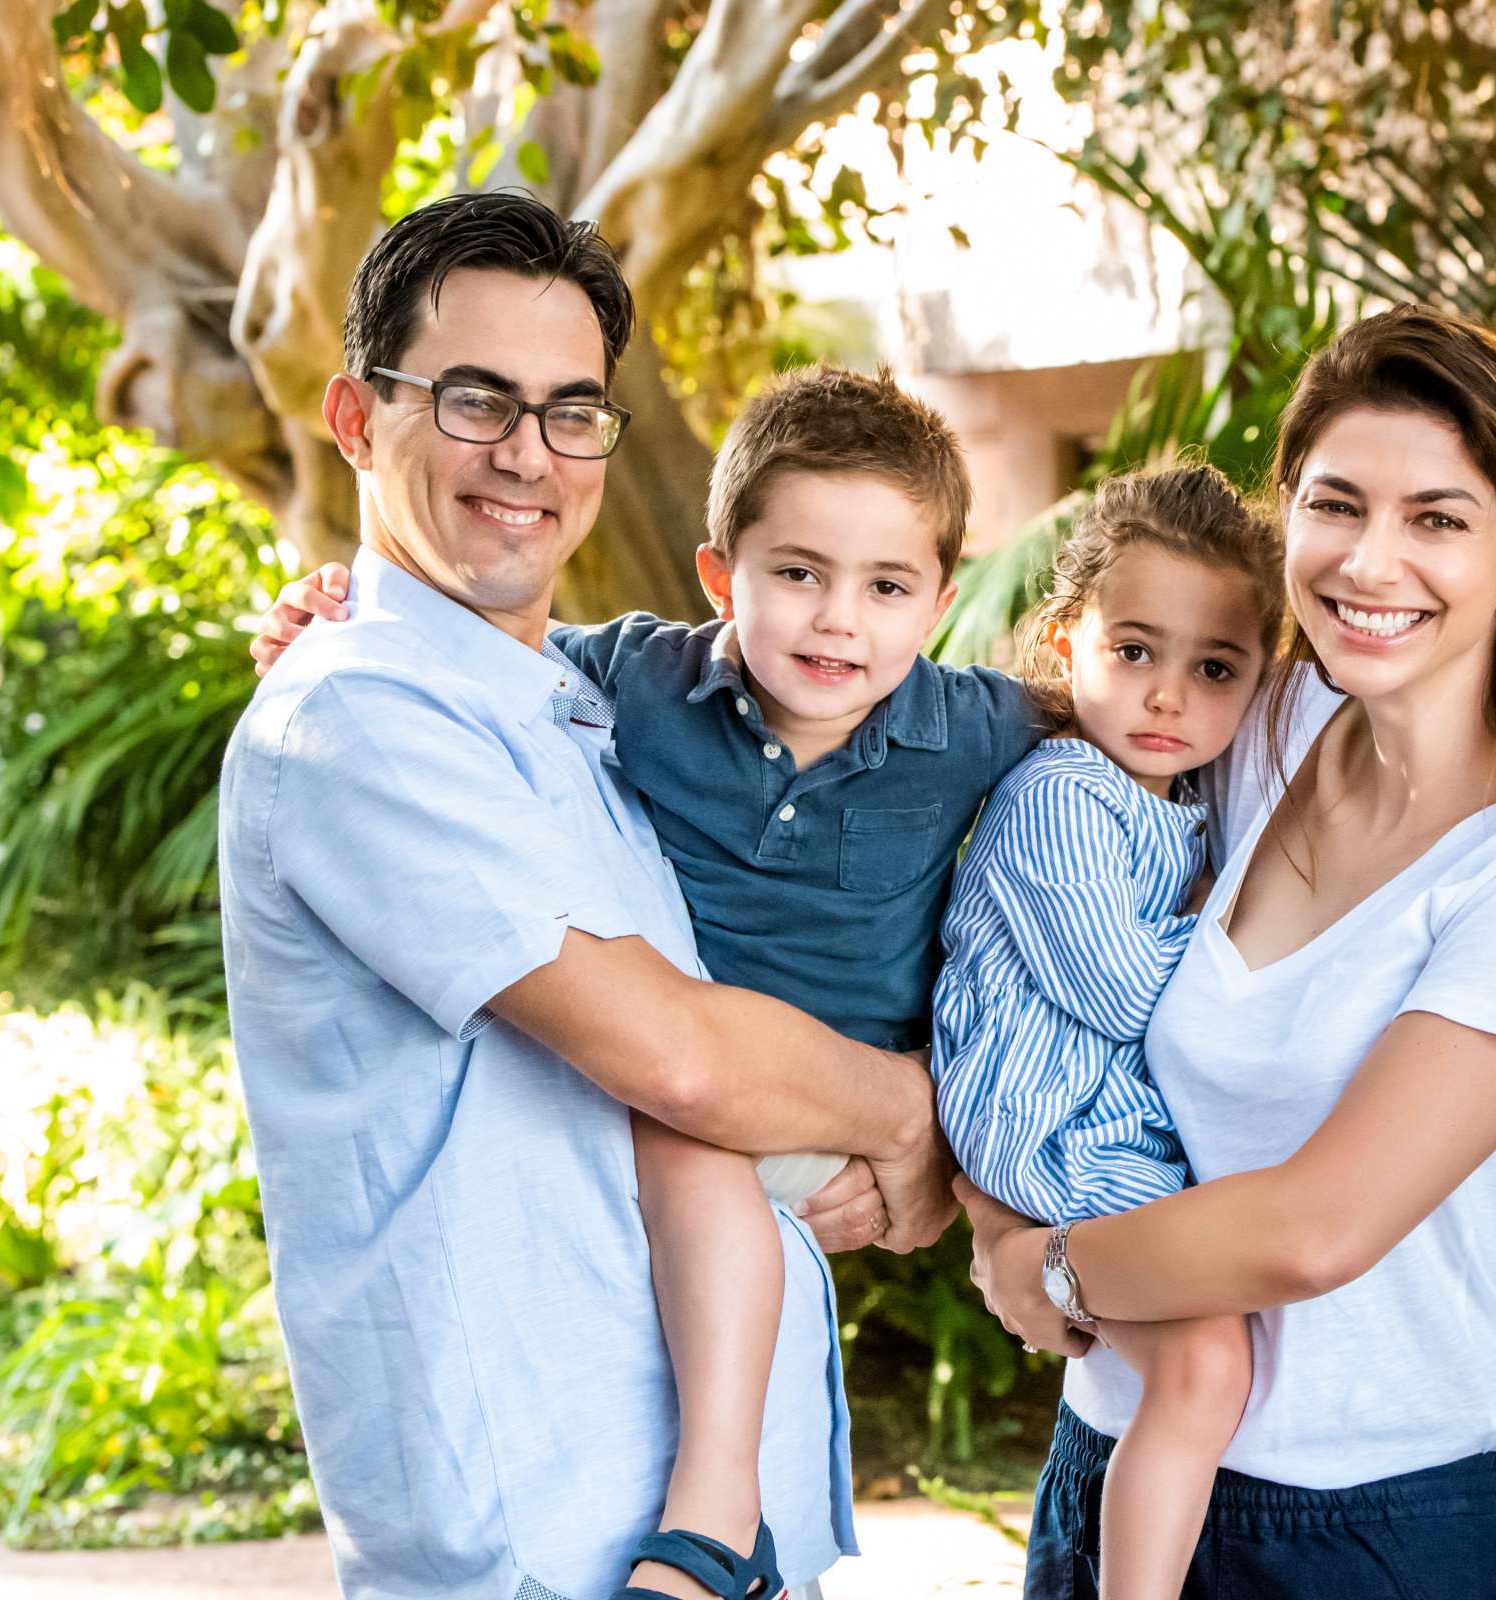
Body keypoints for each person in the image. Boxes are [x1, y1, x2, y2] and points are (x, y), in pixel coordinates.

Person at [220, 191, 953, 1600]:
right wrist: (920, 1118)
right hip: (539, 1534)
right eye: (475, 398)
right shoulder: (362, 717)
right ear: (360, 419)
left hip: (712, 1529)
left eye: (571, 410)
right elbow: (678, 1053)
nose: (526, 455)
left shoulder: (577, 708)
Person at [956, 305, 1496, 1599]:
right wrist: (989, 1210)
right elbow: (1023, 971)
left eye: (1437, 519)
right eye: (1336, 503)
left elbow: (1318, 1227)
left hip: (1356, 1535)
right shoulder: (1257, 717)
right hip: (1108, 1469)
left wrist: (1050, 1263)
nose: (1369, 560)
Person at [931, 465, 1280, 1600]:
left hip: (1088, 1114)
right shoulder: (1061, 797)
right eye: (1136, 651)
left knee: (1212, 1355)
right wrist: (1260, 922)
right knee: (1208, 1358)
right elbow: (1130, 993)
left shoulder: (1178, 805)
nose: (1168, 697)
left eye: (1214, 668)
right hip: (1047, 1126)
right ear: (1064, 636)